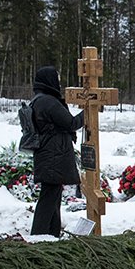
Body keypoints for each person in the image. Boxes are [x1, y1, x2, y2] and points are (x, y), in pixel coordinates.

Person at [29, 66, 84, 236]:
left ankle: (52, 234)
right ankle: (38, 236)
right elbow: (71, 123)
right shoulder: (48, 102)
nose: (59, 82)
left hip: (48, 154)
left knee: (53, 197)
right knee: (48, 198)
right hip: (54, 155)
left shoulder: (39, 100)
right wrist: (90, 109)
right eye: (57, 78)